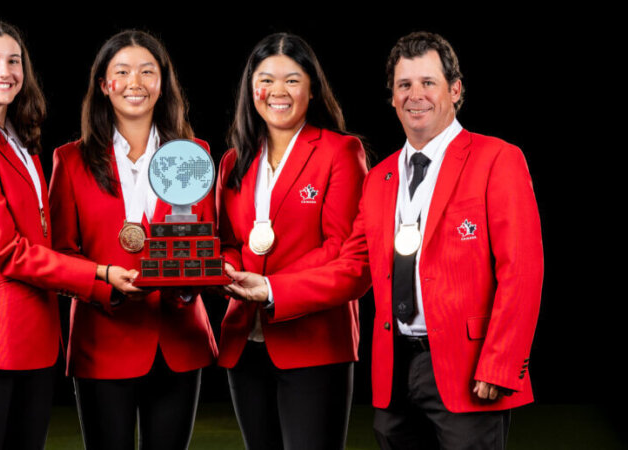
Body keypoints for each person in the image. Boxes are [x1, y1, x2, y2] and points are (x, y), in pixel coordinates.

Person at [226, 31, 543, 449]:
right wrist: (270, 289)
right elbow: (354, 265)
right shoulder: (380, 178)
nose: (416, 95)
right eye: (404, 85)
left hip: (467, 366)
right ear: (392, 97)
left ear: (455, 89)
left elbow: (522, 270)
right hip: (395, 371)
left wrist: (500, 364)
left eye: (428, 82)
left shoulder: (497, 158)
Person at [0, 19, 136, 450]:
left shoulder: (18, 139)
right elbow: (8, 251)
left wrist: (100, 278)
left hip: (34, 337)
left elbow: (41, 240)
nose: (5, 72)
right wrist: (99, 275)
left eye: (14, 61)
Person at [48, 30, 217, 450]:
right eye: (121, 72)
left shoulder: (194, 153)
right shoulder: (70, 160)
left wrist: (186, 284)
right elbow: (61, 254)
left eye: (147, 71)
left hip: (178, 339)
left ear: (163, 82)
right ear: (104, 85)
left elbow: (207, 238)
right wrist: (106, 284)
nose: (135, 82)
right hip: (102, 340)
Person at [216, 33, 367, 450]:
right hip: (246, 342)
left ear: (312, 89)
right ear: (251, 89)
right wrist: (227, 268)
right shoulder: (234, 159)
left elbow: (341, 249)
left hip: (316, 342)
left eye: (292, 80)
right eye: (265, 80)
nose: (277, 91)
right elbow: (230, 242)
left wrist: (270, 287)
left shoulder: (340, 151)